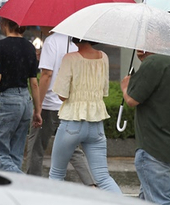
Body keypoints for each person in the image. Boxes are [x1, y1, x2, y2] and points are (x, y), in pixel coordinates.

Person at [121, 50, 170, 205]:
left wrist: (125, 86)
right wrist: (146, 60)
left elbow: (132, 99)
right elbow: (164, 89)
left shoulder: (155, 62)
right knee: (146, 204)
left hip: (152, 145)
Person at [49, 39, 121, 193]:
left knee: (56, 174)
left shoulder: (70, 58)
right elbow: (104, 92)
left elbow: (62, 95)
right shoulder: (104, 57)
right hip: (96, 124)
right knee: (103, 177)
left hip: (72, 122)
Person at [25, 29, 95, 186]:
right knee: (72, 148)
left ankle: (32, 185)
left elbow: (46, 75)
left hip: (50, 105)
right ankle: (91, 183)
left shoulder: (52, 41)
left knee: (36, 147)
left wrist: (38, 106)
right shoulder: (78, 44)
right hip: (70, 104)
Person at [0, 17, 42, 173]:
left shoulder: (0, 46)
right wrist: (37, 111)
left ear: (5, 24)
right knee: (15, 155)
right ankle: (15, 190)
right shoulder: (29, 47)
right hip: (25, 100)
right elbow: (34, 83)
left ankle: (24, 182)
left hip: (8, 100)